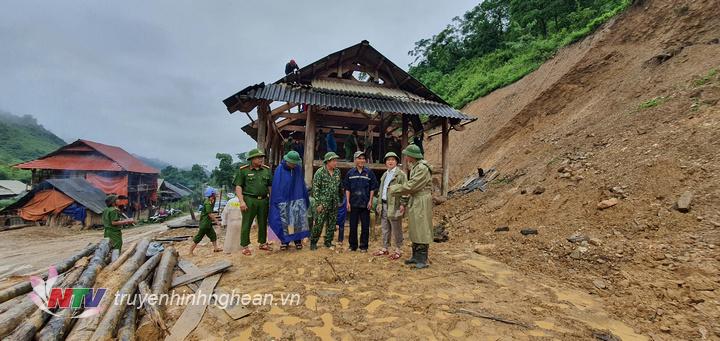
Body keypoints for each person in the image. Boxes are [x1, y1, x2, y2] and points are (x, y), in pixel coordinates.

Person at [389, 144, 433, 269]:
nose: (406, 157)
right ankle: (415, 256)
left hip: (422, 200)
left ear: (412, 156)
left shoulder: (422, 168)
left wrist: (395, 188)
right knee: (415, 227)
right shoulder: (416, 167)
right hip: (416, 199)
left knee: (421, 227)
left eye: (407, 154)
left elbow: (412, 185)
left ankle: (422, 258)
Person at [234, 148, 273, 256]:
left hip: (264, 200)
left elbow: (270, 186)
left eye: (261, 157)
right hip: (249, 200)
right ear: (252, 159)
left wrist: (271, 200)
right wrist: (241, 201)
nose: (261, 159)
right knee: (247, 223)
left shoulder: (266, 170)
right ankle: (245, 246)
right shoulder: (243, 170)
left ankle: (263, 243)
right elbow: (238, 186)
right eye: (258, 157)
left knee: (263, 222)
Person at [269, 151, 310, 251]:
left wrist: (303, 195)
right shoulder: (280, 169)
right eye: (292, 163)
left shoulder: (298, 169)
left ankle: (297, 240)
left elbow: (300, 184)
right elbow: (277, 186)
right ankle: (285, 241)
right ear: (287, 161)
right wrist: (279, 199)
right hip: (283, 199)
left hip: (296, 198)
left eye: (295, 163)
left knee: (296, 220)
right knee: (285, 220)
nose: (293, 165)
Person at [374, 152, 407, 260]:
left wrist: (403, 203)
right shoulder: (385, 174)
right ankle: (385, 247)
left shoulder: (400, 175)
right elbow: (381, 189)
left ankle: (398, 249)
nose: (390, 162)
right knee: (385, 227)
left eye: (393, 160)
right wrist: (379, 202)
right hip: (384, 204)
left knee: (396, 227)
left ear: (396, 162)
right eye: (388, 160)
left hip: (395, 205)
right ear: (385, 162)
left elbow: (405, 189)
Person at [344, 151, 379, 252]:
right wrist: (348, 202)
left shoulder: (369, 173)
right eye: (359, 158)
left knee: (365, 226)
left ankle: (364, 246)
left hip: (365, 204)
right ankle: (352, 246)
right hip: (354, 203)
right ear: (355, 160)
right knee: (353, 226)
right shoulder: (350, 173)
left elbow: (372, 188)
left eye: (363, 158)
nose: (362, 160)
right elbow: (347, 189)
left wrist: (370, 201)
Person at [310, 152, 342, 250]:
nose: (336, 162)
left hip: (334, 202)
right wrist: (318, 204)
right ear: (328, 161)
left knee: (332, 224)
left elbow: (339, 187)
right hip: (322, 204)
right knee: (319, 224)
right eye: (334, 160)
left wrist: (339, 200)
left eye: (336, 160)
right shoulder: (320, 172)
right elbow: (315, 189)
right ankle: (313, 242)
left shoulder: (337, 172)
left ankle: (328, 241)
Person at [189, 187, 223, 255]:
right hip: (204, 224)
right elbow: (210, 214)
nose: (215, 195)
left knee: (213, 235)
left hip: (208, 223)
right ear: (212, 194)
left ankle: (216, 248)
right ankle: (190, 251)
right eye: (214, 194)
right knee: (198, 237)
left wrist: (215, 198)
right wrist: (217, 221)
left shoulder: (211, 200)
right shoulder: (207, 203)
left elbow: (214, 199)